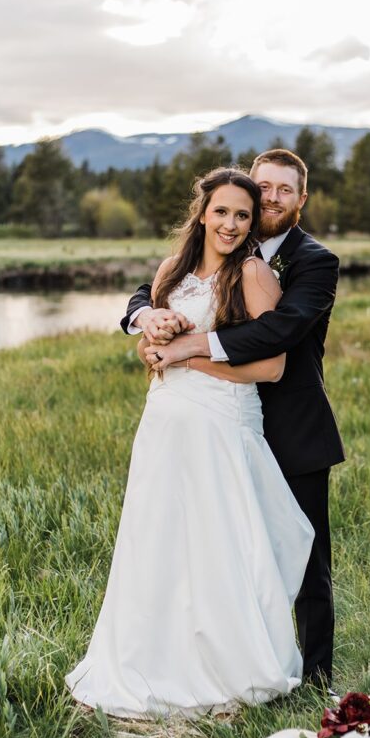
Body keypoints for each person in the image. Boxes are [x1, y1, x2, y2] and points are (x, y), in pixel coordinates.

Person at [65, 167, 315, 719]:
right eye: (222, 211)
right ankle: (149, 659)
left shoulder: (251, 274)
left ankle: (227, 667)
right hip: (164, 426)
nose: (230, 224)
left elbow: (272, 366)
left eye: (242, 216)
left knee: (216, 546)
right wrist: (152, 337)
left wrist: (186, 354)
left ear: (252, 225)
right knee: (157, 542)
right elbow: (150, 354)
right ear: (202, 213)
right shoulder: (168, 272)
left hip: (220, 429)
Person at [125, 149, 345, 690]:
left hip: (286, 424)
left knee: (302, 553)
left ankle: (315, 678)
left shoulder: (312, 261)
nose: (270, 198)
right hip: (196, 427)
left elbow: (276, 337)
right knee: (203, 546)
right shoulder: (195, 259)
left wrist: (185, 349)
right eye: (261, 188)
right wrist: (145, 322)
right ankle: (193, 656)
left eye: (283, 191)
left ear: (300, 199)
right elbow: (149, 295)